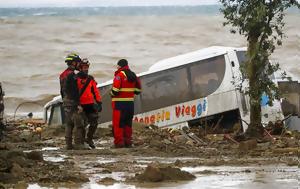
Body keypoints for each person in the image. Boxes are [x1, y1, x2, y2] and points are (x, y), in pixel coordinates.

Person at [110, 59, 141, 148]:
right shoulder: (133, 75)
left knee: (118, 124)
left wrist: (111, 94)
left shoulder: (119, 75)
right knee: (128, 124)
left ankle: (119, 143)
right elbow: (138, 91)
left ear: (120, 66)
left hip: (119, 104)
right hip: (130, 104)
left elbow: (115, 90)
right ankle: (128, 142)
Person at [75, 58, 102, 149]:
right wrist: (76, 104)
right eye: (84, 67)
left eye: (87, 67)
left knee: (94, 122)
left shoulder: (90, 79)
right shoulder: (75, 79)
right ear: (80, 68)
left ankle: (89, 138)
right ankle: (81, 142)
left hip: (90, 104)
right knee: (81, 124)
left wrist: (99, 102)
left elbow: (95, 91)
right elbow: (72, 93)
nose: (86, 69)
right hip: (80, 105)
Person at [59, 53, 81, 150]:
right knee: (78, 123)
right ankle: (78, 143)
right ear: (73, 63)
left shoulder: (62, 74)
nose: (78, 65)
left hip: (65, 100)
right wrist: (79, 103)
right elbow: (74, 90)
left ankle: (68, 144)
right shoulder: (72, 75)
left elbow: (62, 90)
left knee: (68, 123)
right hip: (72, 101)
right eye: (77, 63)